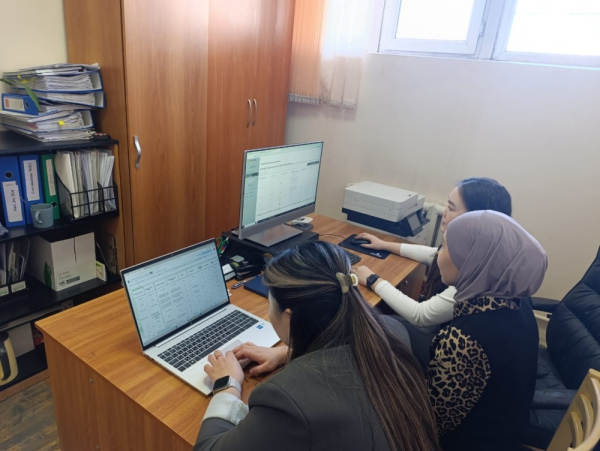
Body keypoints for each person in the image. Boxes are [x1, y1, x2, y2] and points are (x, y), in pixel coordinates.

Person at [194, 241, 440, 451]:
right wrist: (285, 352)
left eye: (270, 304)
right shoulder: (392, 330)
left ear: (289, 317)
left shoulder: (287, 399)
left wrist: (227, 385)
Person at [353, 178, 512, 366]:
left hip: (443, 352)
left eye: (451, 208)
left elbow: (420, 315)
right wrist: (384, 245)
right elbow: (434, 254)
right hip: (443, 331)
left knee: (369, 322)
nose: (444, 211)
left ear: (475, 220)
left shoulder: (478, 277)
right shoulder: (486, 251)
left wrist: (372, 279)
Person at [429, 210, 546, 451]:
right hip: (504, 431)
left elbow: (432, 423)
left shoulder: (464, 339)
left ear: (473, 260)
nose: (439, 254)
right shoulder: (518, 300)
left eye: (445, 247)